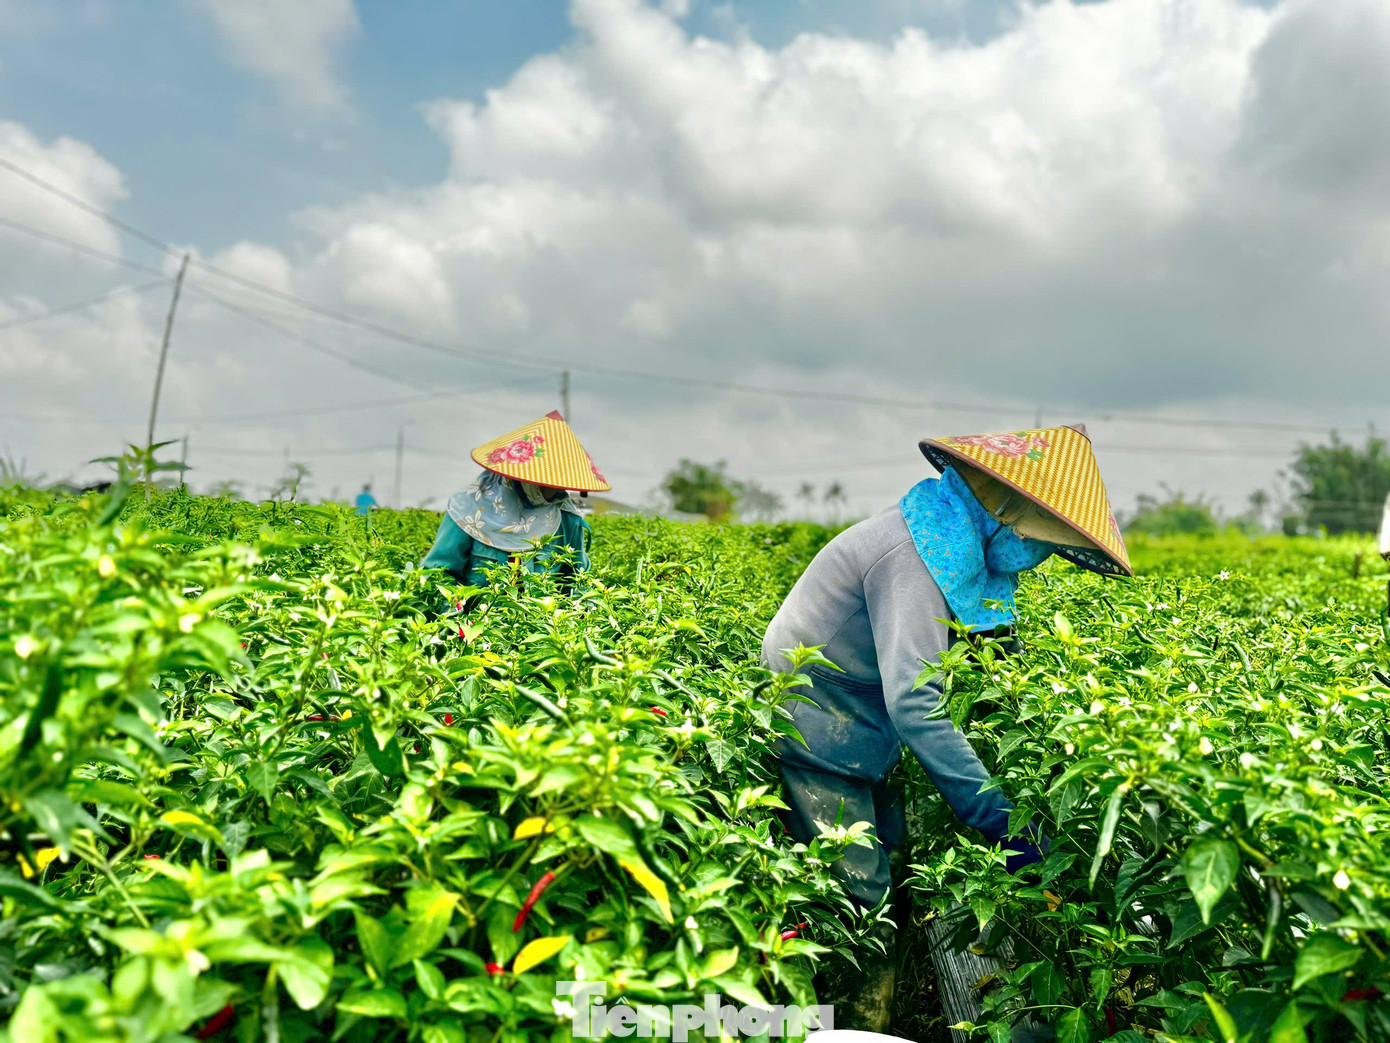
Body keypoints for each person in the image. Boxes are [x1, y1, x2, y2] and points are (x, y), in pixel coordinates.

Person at [762, 423, 1131, 1030]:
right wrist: (998, 816)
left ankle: (881, 1008)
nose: (1037, 554)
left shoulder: (954, 546)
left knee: (895, 873)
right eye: (1035, 536)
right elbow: (916, 702)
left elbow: (990, 659)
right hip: (816, 728)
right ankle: (853, 1023)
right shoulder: (910, 557)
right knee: (860, 903)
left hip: (865, 731)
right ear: (1000, 510)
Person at [421, 410, 611, 587]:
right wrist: (459, 615)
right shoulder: (468, 509)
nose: (557, 489)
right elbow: (437, 574)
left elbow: (578, 583)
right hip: (476, 619)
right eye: (550, 480)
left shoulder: (567, 519)